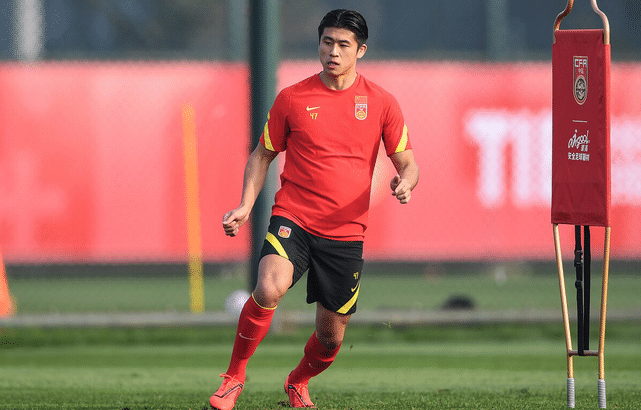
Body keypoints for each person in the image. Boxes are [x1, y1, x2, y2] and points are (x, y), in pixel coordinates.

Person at [210, 9, 419, 410]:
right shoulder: (292, 98)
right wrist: (246, 204)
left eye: (343, 45)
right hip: (294, 218)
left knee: (331, 337)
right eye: (327, 42)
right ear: (319, 44)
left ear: (361, 50)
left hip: (346, 232)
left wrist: (406, 182)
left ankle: (298, 381)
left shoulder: (381, 102)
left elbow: (408, 163)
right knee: (268, 288)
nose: (333, 52)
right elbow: (262, 155)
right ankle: (233, 377)